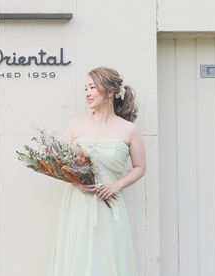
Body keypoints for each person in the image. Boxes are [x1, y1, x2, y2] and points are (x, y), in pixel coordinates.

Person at [51, 66, 146, 276]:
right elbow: (58, 162)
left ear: (109, 92)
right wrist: (76, 181)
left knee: (109, 256)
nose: (87, 93)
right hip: (79, 202)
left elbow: (140, 167)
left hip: (109, 203)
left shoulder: (129, 130)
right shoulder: (75, 125)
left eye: (92, 87)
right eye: (86, 88)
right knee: (79, 255)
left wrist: (117, 185)